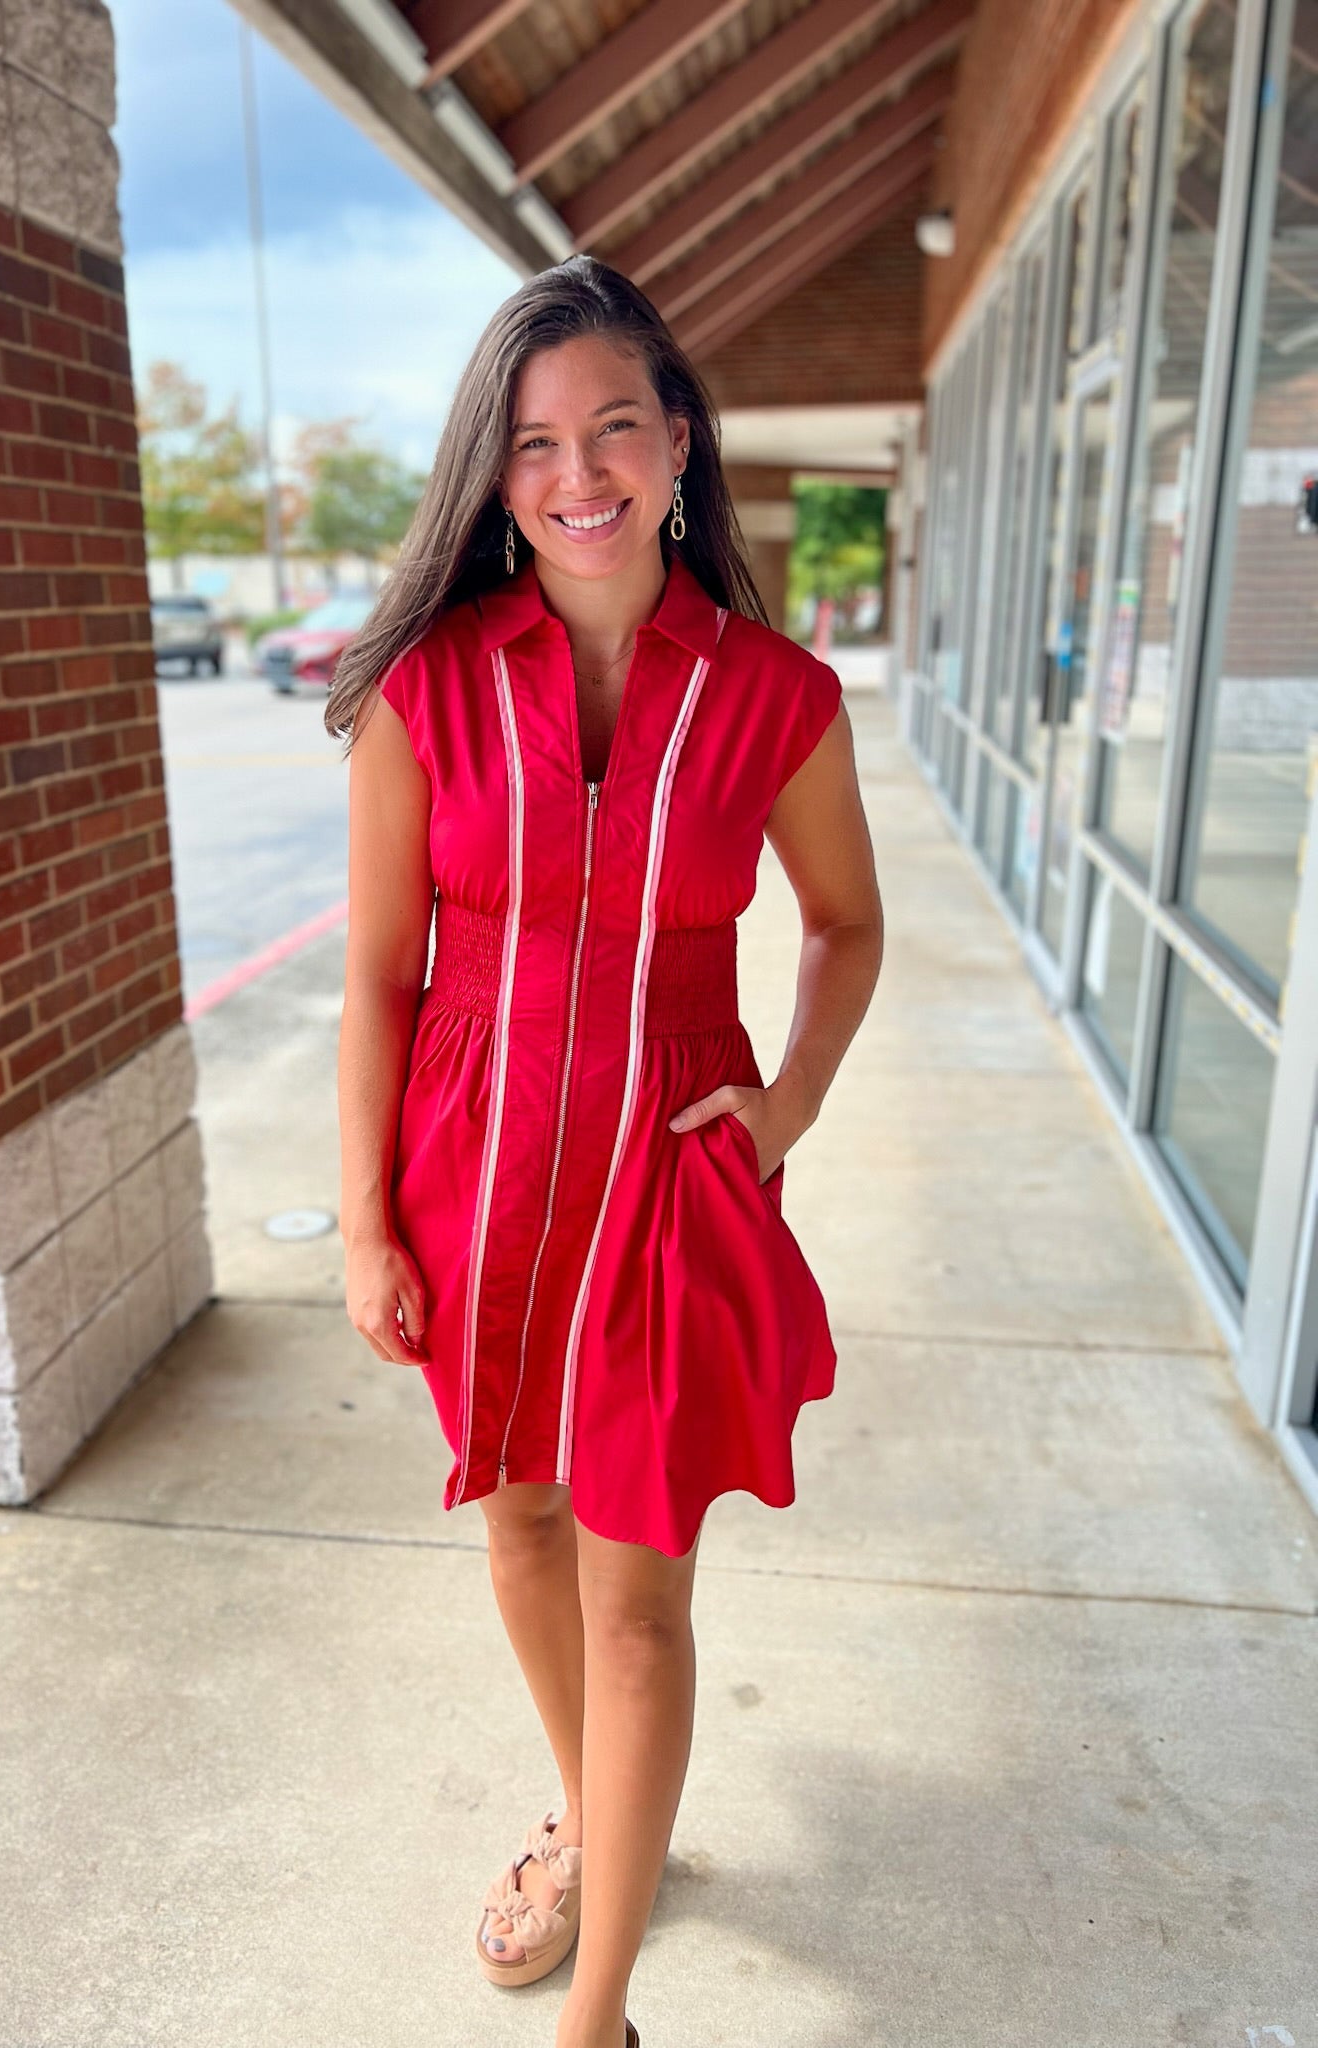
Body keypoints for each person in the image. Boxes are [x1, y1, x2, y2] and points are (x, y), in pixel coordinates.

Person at [329, 255, 882, 2048]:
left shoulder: (779, 696)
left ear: (680, 443)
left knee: (638, 1598)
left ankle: (602, 2017)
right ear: (494, 474)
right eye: (536, 444)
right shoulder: (427, 687)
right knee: (519, 1515)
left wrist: (789, 1105)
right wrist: (365, 1223)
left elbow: (847, 924)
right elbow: (379, 974)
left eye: (615, 430)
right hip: (472, 1172)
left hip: (666, 1182)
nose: (579, 475)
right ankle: (590, 1817)